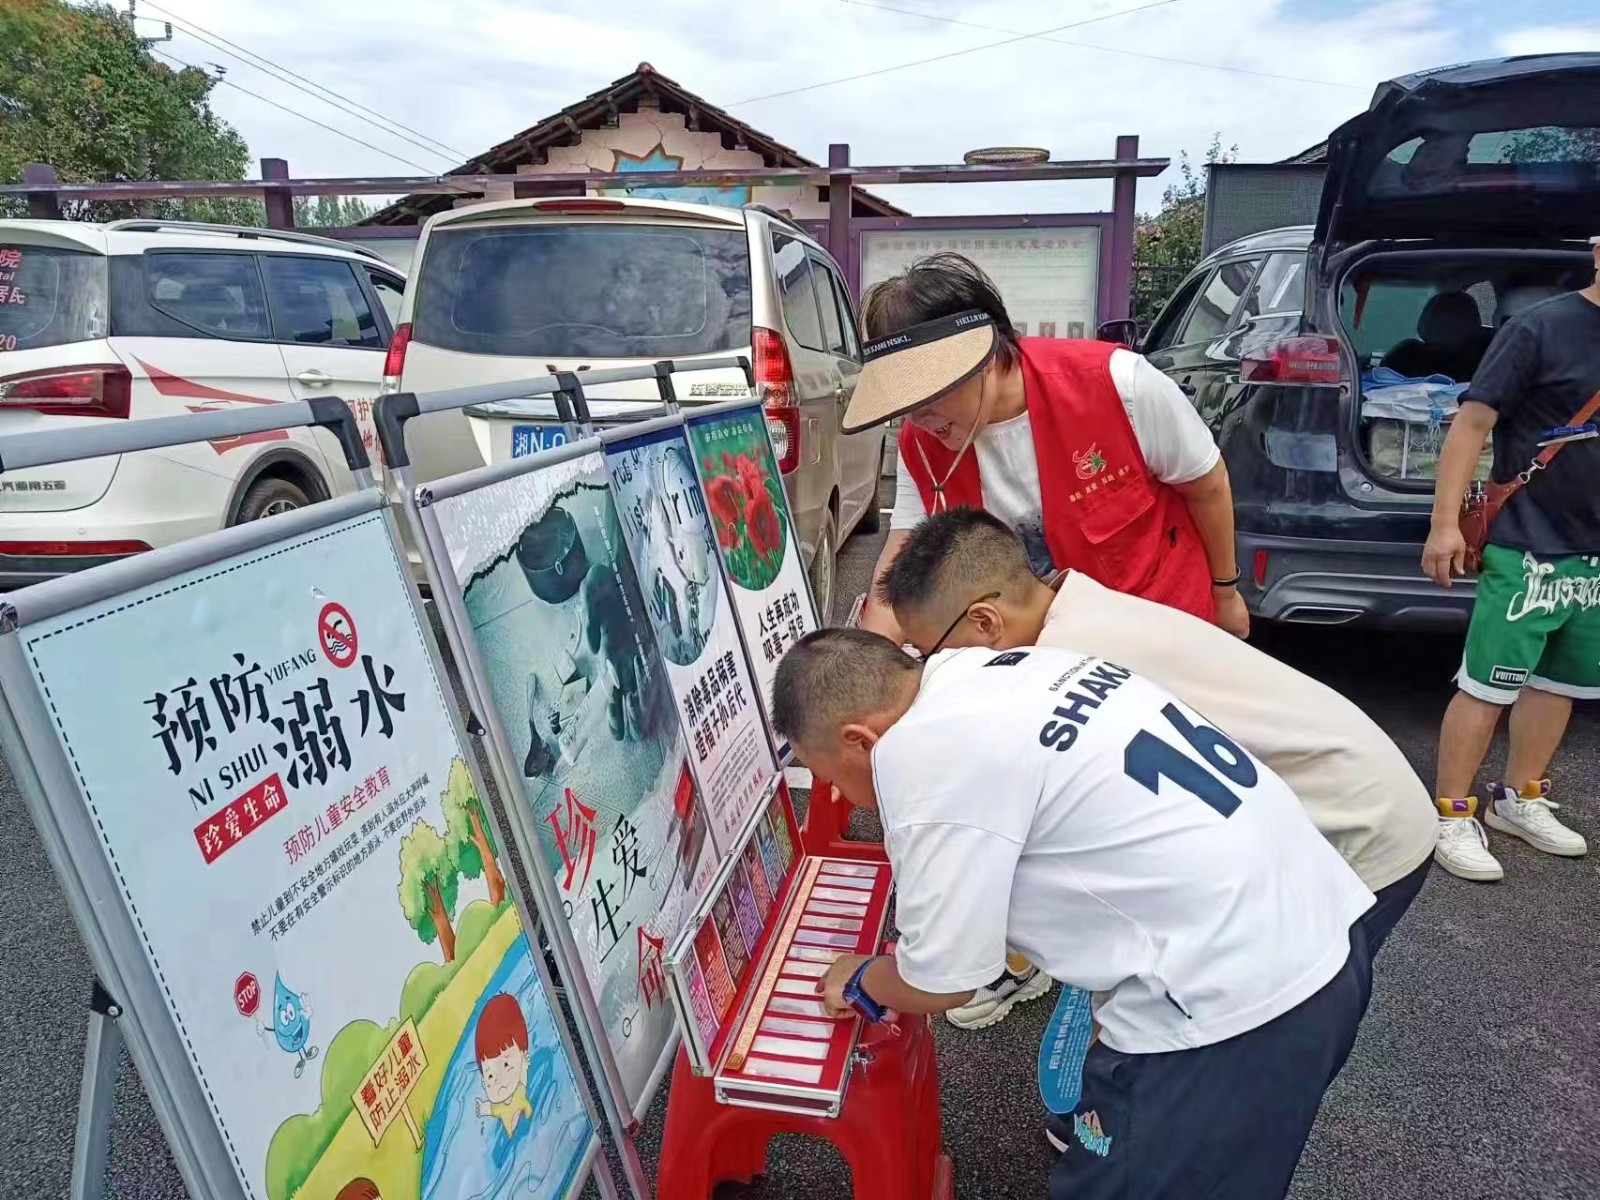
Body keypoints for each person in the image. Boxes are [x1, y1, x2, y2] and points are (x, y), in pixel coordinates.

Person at [771, 630, 1374, 1200]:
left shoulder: (918, 752)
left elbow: (943, 980)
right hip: (1321, 935)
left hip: (1229, 1008)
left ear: (861, 739)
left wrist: (858, 976)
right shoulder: (997, 668)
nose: (847, 798)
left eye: (831, 778)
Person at [880, 507, 1436, 960]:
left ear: (985, 622)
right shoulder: (1073, 600)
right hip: (1356, 783)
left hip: (1357, 830)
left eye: (931, 652)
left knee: (1275, 1021)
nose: (931, 668)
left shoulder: (1060, 665)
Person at [845, 254, 1248, 645]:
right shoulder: (920, 445)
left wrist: (1225, 594)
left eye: (930, 396)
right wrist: (871, 665)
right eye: (905, 405)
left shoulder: (1117, 385)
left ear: (983, 356)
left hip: (1160, 630)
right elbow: (901, 557)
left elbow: (1207, 484)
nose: (920, 419)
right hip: (1050, 660)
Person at [1421, 246, 1600, 882]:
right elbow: (1471, 425)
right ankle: (1451, 812)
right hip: (1529, 541)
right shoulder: (1540, 328)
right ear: (1599, 251)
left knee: (1561, 684)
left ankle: (1518, 799)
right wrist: (1445, 525)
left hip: (1594, 555)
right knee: (1489, 682)